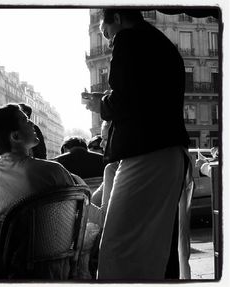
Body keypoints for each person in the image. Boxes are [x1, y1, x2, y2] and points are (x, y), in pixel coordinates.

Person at [84, 9, 190, 280]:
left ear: (117, 18)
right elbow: (143, 94)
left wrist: (101, 104)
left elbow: (127, 100)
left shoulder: (129, 39)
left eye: (105, 32)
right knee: (150, 248)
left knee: (117, 245)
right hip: (167, 151)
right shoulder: (159, 42)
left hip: (147, 153)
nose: (107, 41)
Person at [0, 104, 76, 225]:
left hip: (4, 244)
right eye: (25, 120)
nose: (32, 123)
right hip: (50, 243)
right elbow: (75, 211)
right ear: (15, 136)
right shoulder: (52, 170)